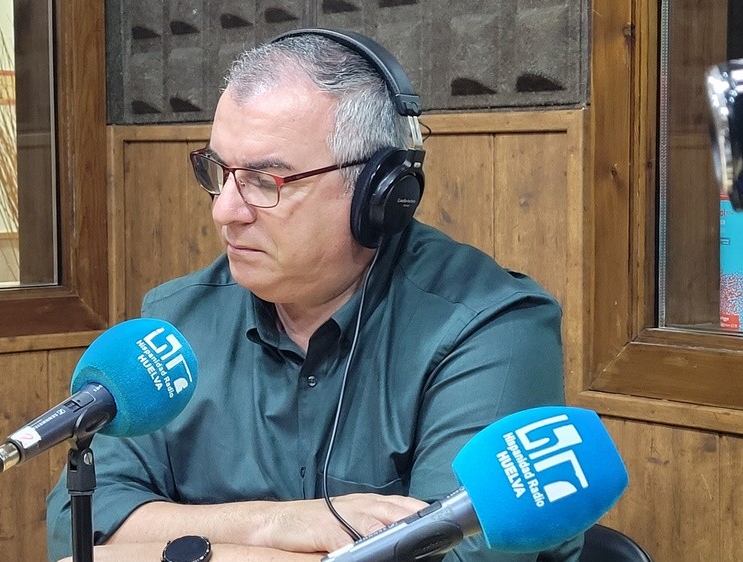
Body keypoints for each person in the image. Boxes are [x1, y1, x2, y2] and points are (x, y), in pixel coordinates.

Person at [47, 29, 582, 562]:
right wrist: (273, 525)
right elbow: (81, 526)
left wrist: (164, 548)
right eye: (218, 172)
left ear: (378, 193)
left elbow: (457, 555)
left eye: (265, 180)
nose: (224, 210)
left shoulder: (493, 328)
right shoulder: (176, 323)